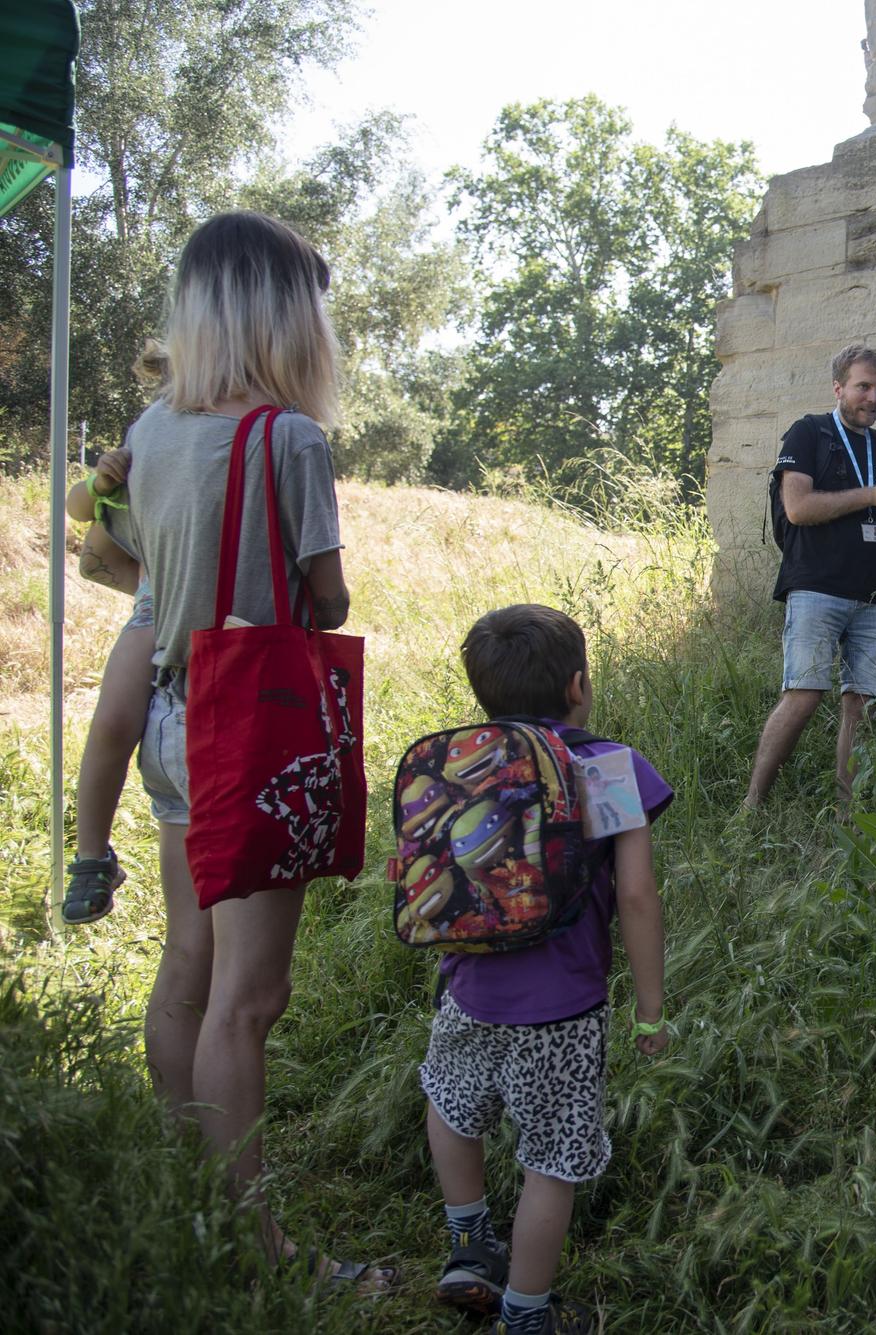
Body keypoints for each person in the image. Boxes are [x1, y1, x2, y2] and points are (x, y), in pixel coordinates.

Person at [94, 211, 385, 1285]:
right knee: (248, 998)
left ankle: (187, 1198)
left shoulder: (155, 427)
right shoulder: (291, 440)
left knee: (189, 962)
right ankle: (264, 1251)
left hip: (171, 720)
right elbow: (326, 594)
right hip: (252, 729)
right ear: (279, 314)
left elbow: (126, 573)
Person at [420, 604, 672, 1334]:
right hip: (563, 1007)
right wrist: (650, 1010)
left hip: (466, 989)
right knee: (552, 1160)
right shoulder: (604, 765)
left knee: (449, 1102)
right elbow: (635, 894)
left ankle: (469, 1246)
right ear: (578, 685)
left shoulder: (464, 762)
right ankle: (527, 1312)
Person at [745, 344, 876, 809]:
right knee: (803, 694)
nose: (874, 398)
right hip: (815, 586)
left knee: (864, 708)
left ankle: (849, 814)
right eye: (863, 386)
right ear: (839, 387)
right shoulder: (809, 432)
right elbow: (798, 508)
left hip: (873, 592)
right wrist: (873, 494)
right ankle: (751, 807)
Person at [61, 439, 158, 924]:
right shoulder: (148, 440)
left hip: (223, 609)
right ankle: (92, 857)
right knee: (112, 721)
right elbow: (78, 506)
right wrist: (102, 481)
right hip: (155, 608)